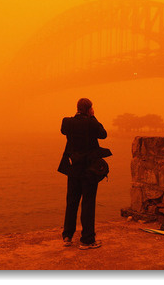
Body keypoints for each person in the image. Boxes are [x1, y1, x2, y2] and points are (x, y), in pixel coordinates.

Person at [57, 98, 108, 249]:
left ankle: (67, 236)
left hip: (73, 168)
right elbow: (103, 134)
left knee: (71, 202)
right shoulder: (91, 122)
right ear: (89, 109)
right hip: (89, 170)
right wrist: (92, 117)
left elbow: (63, 131)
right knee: (88, 203)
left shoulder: (67, 122)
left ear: (77, 108)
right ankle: (87, 240)